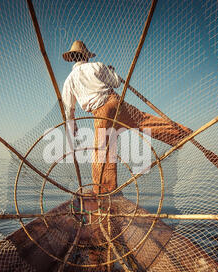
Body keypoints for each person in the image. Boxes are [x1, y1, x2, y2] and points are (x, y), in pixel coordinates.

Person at [61, 40, 191, 195]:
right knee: (143, 120)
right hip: (115, 102)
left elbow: (69, 109)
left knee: (102, 150)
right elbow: (115, 83)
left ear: (73, 58)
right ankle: (181, 135)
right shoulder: (97, 66)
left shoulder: (69, 80)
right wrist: (112, 71)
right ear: (86, 56)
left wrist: (72, 126)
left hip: (101, 112)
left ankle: (104, 190)